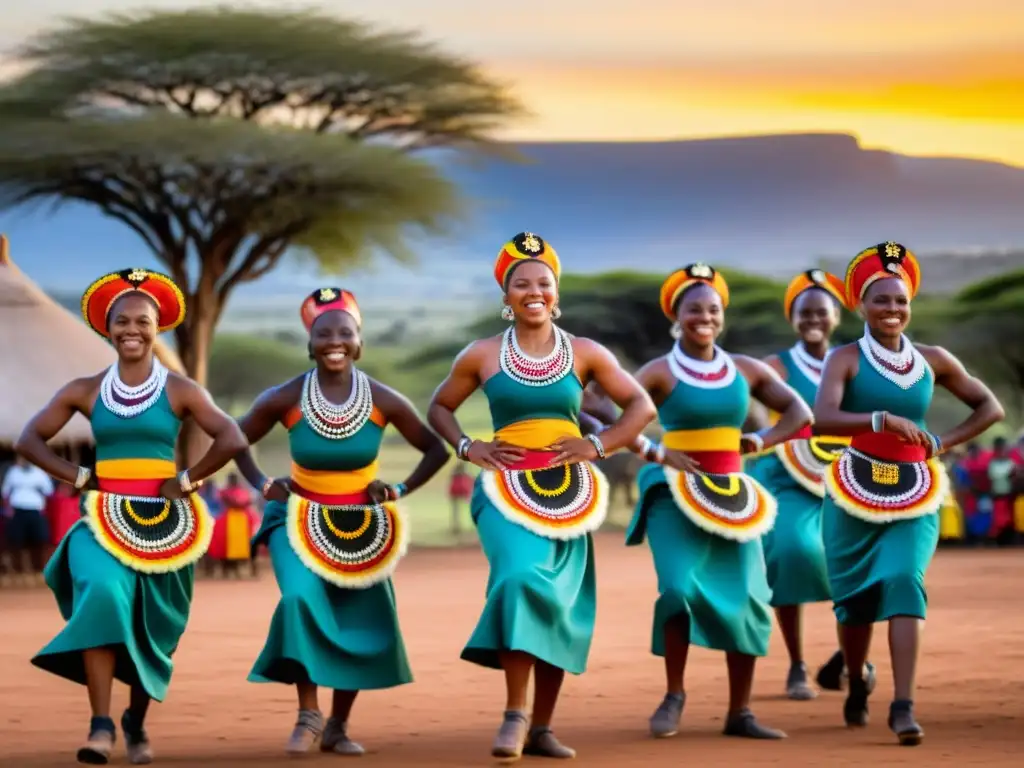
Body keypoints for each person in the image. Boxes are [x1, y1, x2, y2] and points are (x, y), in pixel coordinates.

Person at [427, 232, 655, 761]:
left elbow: (641, 408)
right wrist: (467, 445)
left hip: (568, 495)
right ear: (506, 298)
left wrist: (597, 444)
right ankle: (515, 713)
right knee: (520, 579)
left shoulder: (587, 353)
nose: (534, 291)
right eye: (521, 284)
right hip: (502, 489)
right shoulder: (480, 354)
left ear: (557, 293)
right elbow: (440, 407)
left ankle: (544, 728)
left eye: (543, 284)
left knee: (559, 601)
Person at [14, 267, 247, 764]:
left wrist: (187, 479)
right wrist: (78, 477)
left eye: (143, 321)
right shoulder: (86, 388)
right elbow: (30, 439)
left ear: (157, 327)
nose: (132, 330)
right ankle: (100, 725)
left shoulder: (181, 390)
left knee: (154, 629)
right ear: (108, 327)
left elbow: (231, 437)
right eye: (122, 321)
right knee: (100, 594)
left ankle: (135, 719)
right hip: (100, 520)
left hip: (166, 525)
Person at [235, 287, 449, 756]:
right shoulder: (285, 396)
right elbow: (234, 437)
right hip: (294, 518)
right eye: (323, 334)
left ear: (359, 343)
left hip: (360, 526)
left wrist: (399, 489)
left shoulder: (382, 398)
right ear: (309, 345)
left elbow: (436, 449)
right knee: (299, 599)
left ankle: (338, 725)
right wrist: (259, 482)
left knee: (356, 618)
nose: (335, 341)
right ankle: (309, 713)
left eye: (345, 333)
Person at [814, 242, 1004, 745]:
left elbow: (990, 407)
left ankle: (903, 704)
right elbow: (822, 420)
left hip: (917, 492)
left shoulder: (934, 360)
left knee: (903, 580)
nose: (892, 310)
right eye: (881, 301)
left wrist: (943, 441)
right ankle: (857, 681)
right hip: (853, 489)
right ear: (860, 306)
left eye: (900, 301)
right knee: (852, 603)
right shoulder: (845, 358)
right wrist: (878, 419)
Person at [623, 263, 811, 741]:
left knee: (749, 598)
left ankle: (740, 712)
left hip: (733, 495)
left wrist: (760, 440)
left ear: (722, 316)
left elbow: (799, 412)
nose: (703, 317)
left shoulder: (745, 369)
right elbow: (605, 404)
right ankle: (674, 693)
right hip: (673, 492)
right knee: (677, 590)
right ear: (676, 315)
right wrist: (651, 449)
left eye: (712, 309)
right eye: (693, 309)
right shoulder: (660, 371)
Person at [745, 270, 878, 700]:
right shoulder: (776, 366)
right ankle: (797, 663)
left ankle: (848, 658)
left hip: (848, 473)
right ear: (793, 318)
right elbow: (759, 414)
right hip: (787, 472)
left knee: (865, 563)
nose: (813, 320)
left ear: (837, 316)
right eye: (805, 313)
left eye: (822, 312)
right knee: (791, 551)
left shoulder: (856, 360)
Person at [0, 453, 53, 582]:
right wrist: (8, 509)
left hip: (35, 510)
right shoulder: (14, 472)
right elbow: (5, 492)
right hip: (18, 510)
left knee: (39, 541)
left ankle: (38, 571)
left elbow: (49, 492)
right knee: (16, 542)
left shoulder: (40, 473)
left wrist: (44, 509)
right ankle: (19, 571)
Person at [208, 473, 259, 577]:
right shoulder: (224, 492)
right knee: (222, 541)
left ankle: (249, 568)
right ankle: (227, 569)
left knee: (251, 542)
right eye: (232, 479)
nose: (233, 481)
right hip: (229, 518)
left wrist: (237, 503)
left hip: (242, 519)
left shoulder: (243, 492)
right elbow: (225, 501)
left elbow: (246, 502)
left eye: (234, 479)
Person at [986, 437, 1017, 546]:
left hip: (1009, 495)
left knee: (1009, 519)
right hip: (998, 495)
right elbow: (992, 477)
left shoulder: (1011, 463)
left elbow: (1015, 479)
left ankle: (1009, 541)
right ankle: (998, 541)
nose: (1001, 452)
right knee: (998, 520)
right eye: (999, 449)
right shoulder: (993, 463)